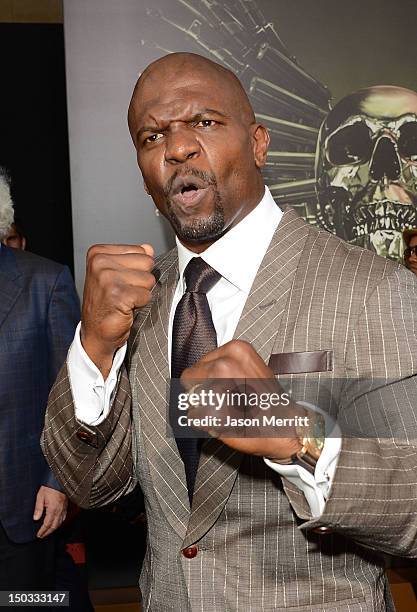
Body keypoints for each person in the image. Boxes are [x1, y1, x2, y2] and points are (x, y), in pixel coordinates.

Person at [42, 53, 417, 611]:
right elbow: (93, 485)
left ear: (260, 143)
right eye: (152, 136)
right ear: (143, 172)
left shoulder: (371, 288)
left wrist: (299, 439)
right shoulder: (139, 301)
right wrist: (93, 346)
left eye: (205, 123)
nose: (178, 148)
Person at [0, 169, 81, 591]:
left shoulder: (45, 282)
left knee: (28, 602)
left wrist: (58, 482)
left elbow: (69, 395)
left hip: (22, 503)